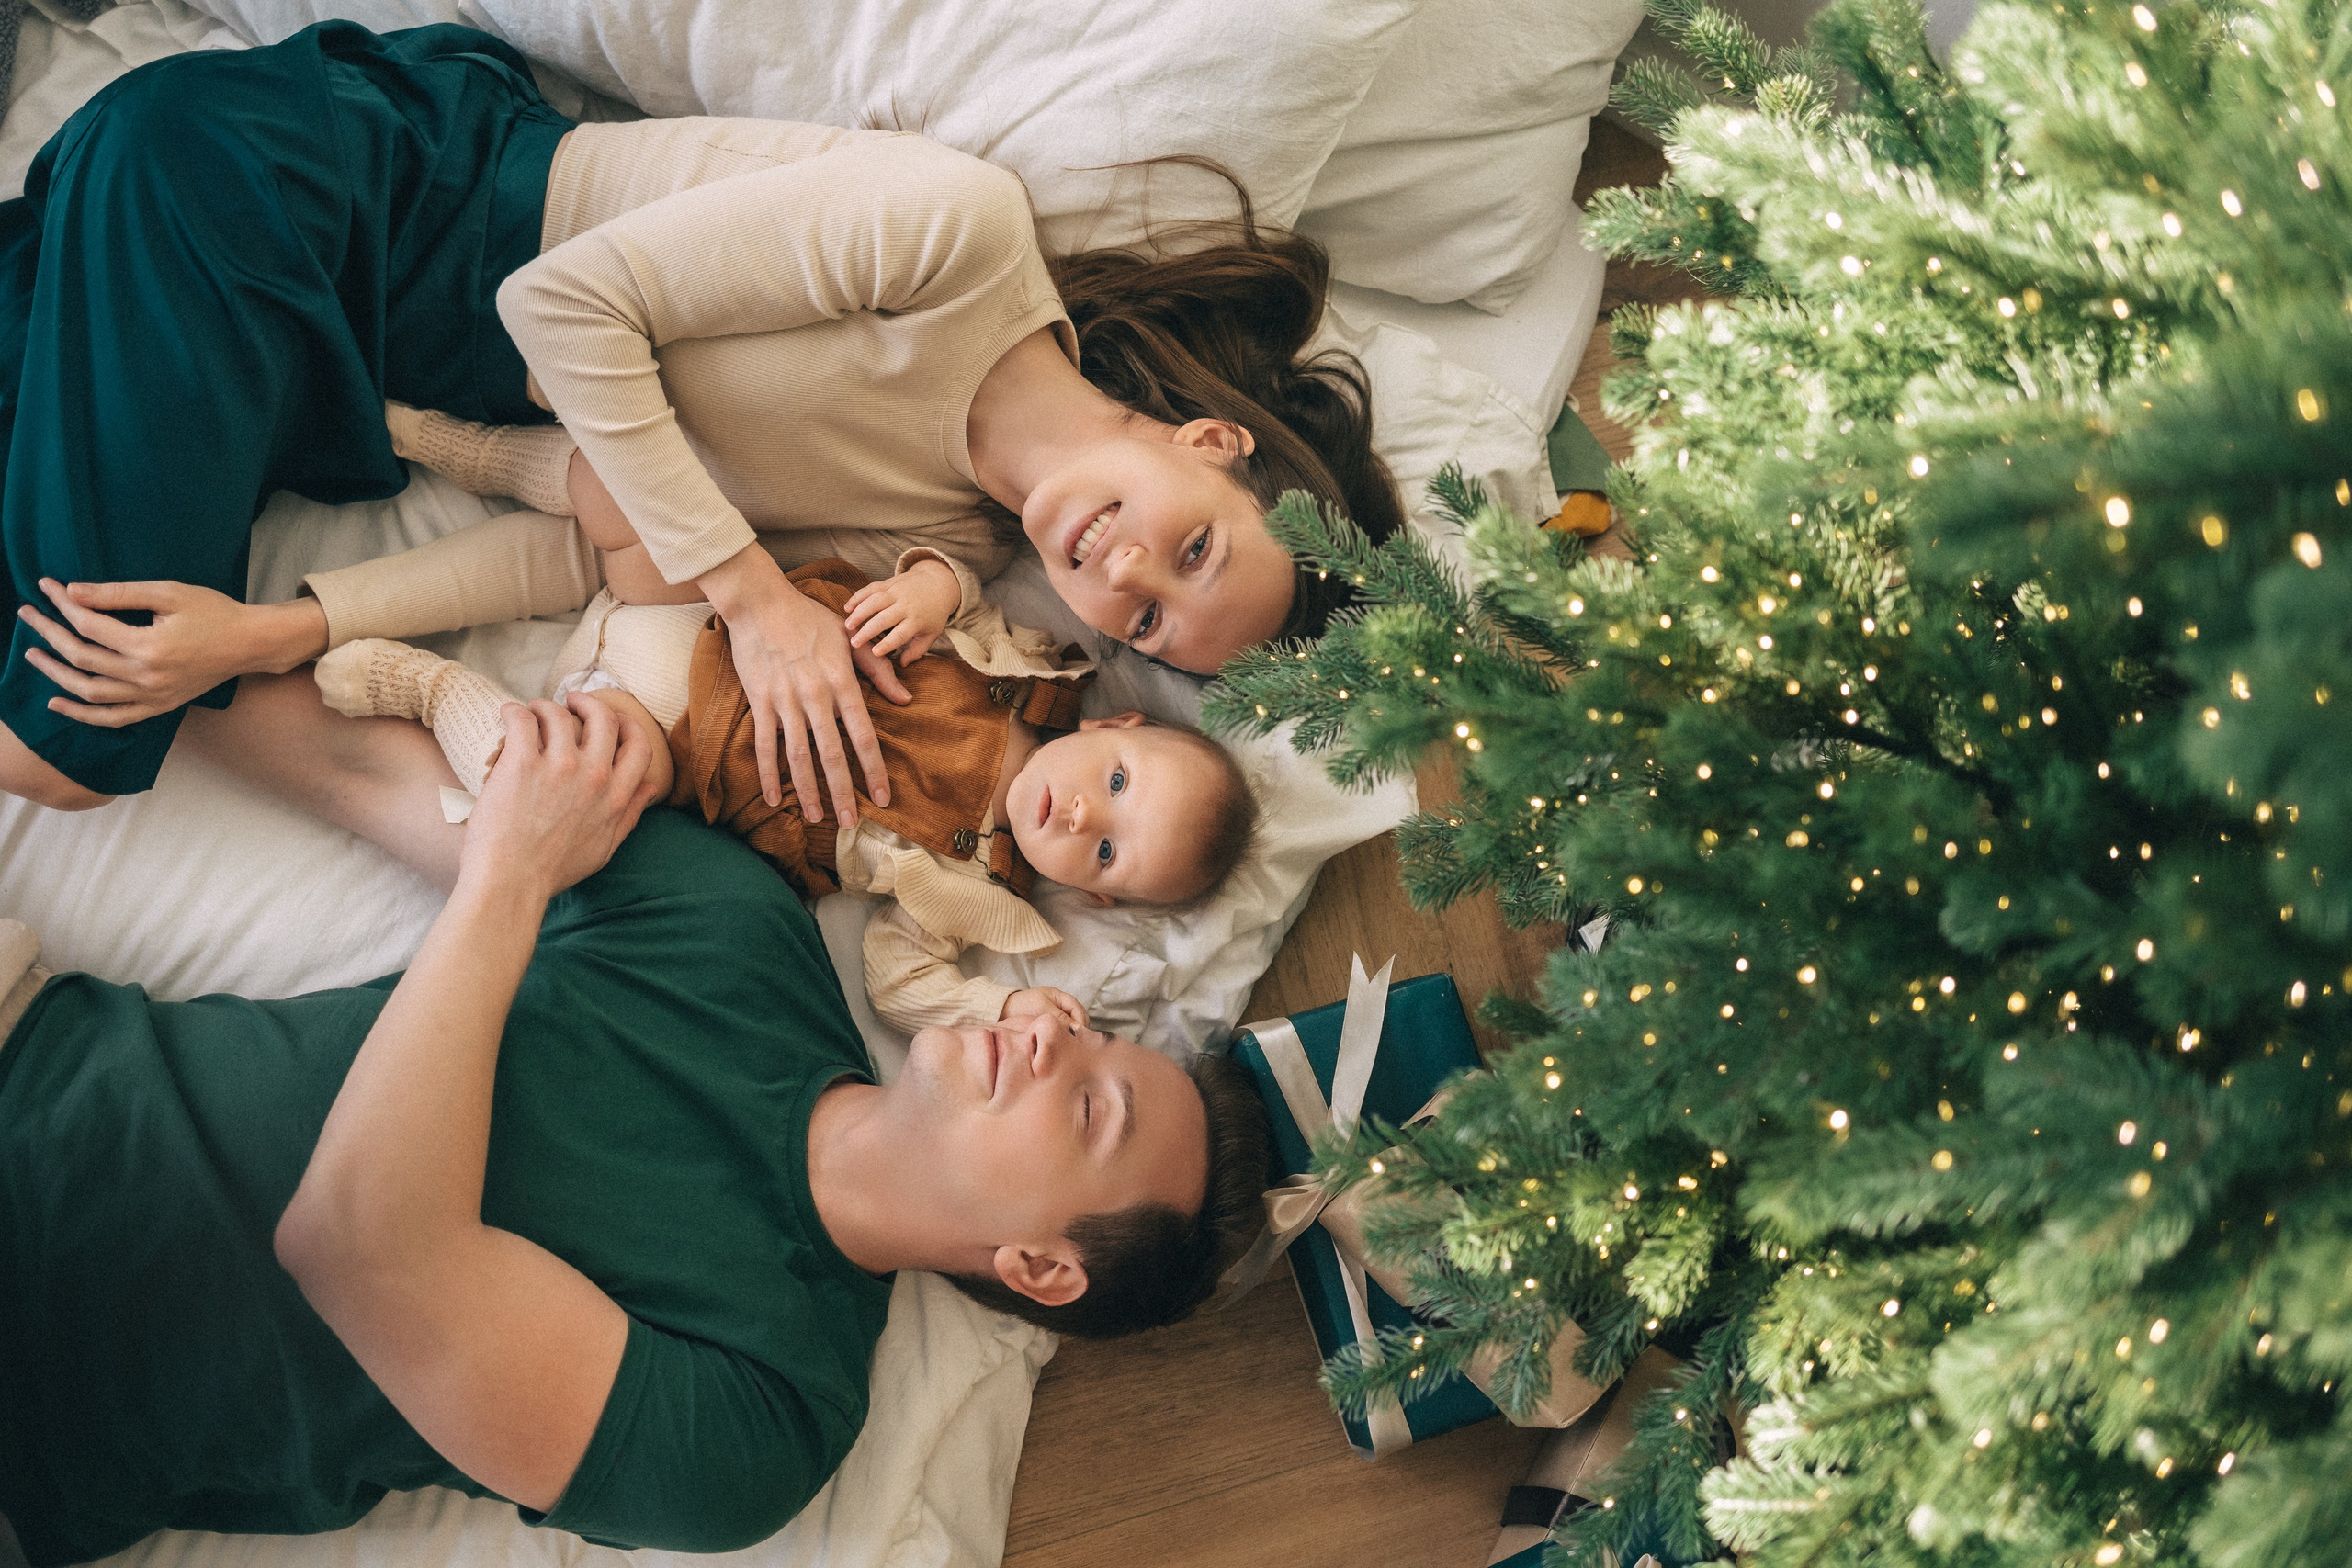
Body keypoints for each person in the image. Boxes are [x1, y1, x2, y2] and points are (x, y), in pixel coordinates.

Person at [0, 672, 1274, 1567]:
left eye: (1090, 1104)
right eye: (1088, 1034)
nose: (1051, 1031)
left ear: (1041, 1266)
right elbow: (353, 767)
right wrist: (91, 663)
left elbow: (360, 1248)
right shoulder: (741, 932)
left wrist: (510, 879)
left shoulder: (765, 1419)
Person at [2, 19, 1406, 818]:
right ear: (1208, 442)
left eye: (1146, 622)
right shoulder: (955, 235)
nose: (1126, 573)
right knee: (70, 736)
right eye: (1196, 549)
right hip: (372, 186)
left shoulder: (935, 551)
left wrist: (284, 632)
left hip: (336, 368)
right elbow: (560, 307)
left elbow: (605, 536)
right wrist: (755, 599)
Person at [311, 553, 1261, 1033]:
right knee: (614, 505)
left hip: (667, 737)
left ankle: (429, 689)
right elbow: (962, 583)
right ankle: (464, 443)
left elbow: (900, 984)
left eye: (1106, 851)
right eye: (1118, 782)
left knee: (545, 794)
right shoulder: (1029, 671)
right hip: (705, 613)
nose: (1086, 813)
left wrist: (997, 1010)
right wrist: (930, 591)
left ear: (1094, 897)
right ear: (1112, 725)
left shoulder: (970, 892)